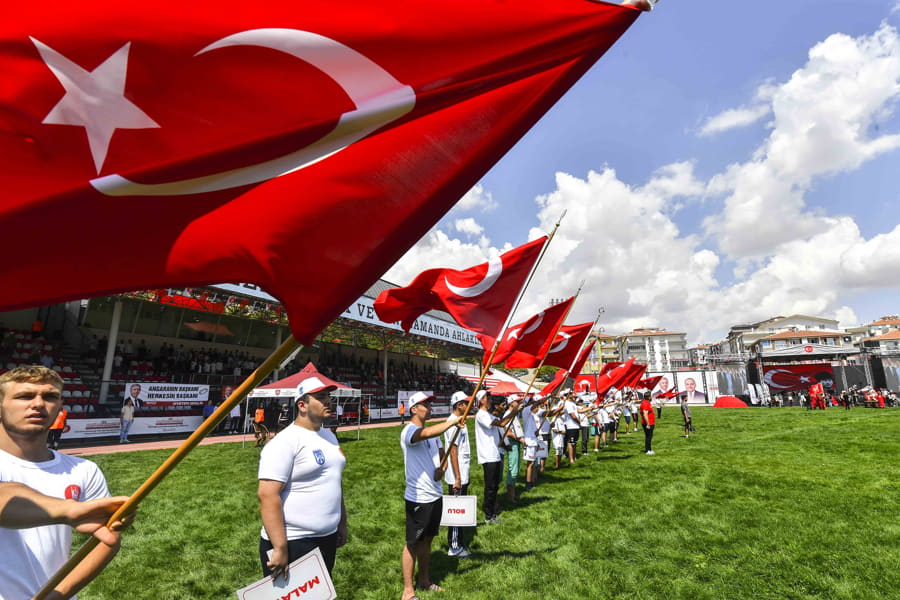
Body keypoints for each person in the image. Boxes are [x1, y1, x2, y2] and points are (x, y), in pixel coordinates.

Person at [0, 365, 132, 599]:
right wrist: (70, 510)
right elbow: (5, 497)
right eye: (24, 396)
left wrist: (60, 594)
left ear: (60, 406)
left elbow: (106, 539)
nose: (39, 404)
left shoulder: (84, 469)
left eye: (50, 396)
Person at [257, 377, 347, 580]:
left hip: (326, 537)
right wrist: (279, 546)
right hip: (294, 540)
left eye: (329, 397)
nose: (328, 402)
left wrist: (341, 522)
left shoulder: (329, 436)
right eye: (321, 397)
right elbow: (267, 495)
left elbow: (334, 481)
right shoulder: (285, 442)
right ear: (302, 405)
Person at [400, 392, 461, 600]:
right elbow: (424, 436)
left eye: (429, 404)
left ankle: (424, 581)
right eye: (424, 404)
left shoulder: (430, 433)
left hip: (435, 494)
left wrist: (442, 469)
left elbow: (441, 452)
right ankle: (408, 591)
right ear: (413, 409)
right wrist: (451, 423)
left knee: (428, 540)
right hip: (418, 498)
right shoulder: (409, 431)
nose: (429, 407)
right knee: (413, 543)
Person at [474, 391, 520, 524]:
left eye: (489, 397)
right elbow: (501, 423)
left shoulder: (487, 414)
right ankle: (488, 515)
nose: (489, 399)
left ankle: (492, 512)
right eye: (486, 397)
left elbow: (500, 424)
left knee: (494, 486)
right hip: (488, 455)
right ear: (480, 401)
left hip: (494, 454)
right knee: (490, 486)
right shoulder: (481, 415)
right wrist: (514, 411)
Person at [443, 392, 471, 559]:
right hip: (456, 475)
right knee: (456, 510)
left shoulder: (461, 421)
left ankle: (460, 542)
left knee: (461, 509)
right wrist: (458, 478)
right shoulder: (452, 423)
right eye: (465, 403)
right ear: (458, 405)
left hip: (462, 471)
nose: (468, 405)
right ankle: (453, 546)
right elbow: (453, 451)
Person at [640, 391, 655, 455]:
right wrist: (648, 424)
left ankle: (649, 449)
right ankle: (647, 450)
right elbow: (645, 414)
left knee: (650, 436)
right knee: (648, 436)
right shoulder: (645, 403)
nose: (651, 397)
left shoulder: (647, 402)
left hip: (651, 422)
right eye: (651, 396)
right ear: (649, 397)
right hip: (648, 423)